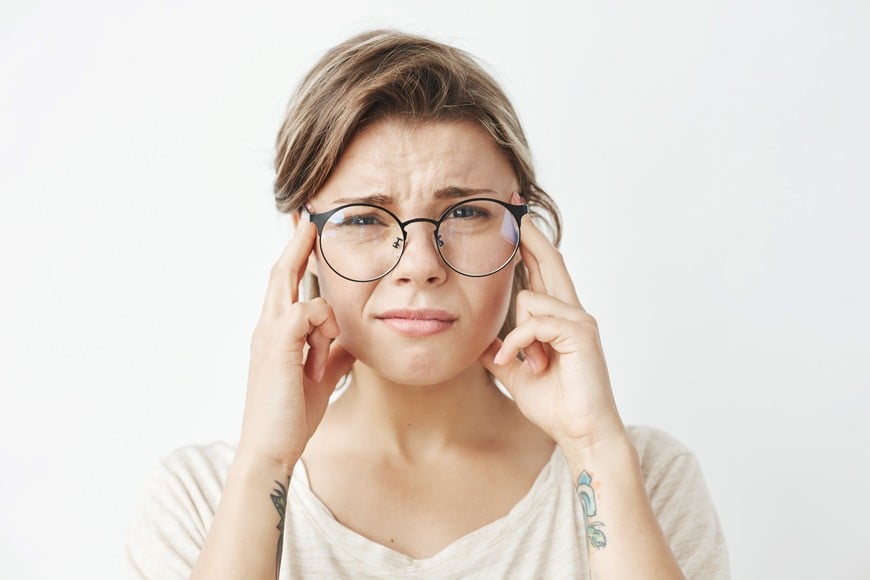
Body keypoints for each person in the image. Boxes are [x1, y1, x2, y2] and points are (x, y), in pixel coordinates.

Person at [126, 29, 729, 579]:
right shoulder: (200, 498)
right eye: (363, 216)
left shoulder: (644, 476)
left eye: (465, 212)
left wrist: (594, 446)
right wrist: (267, 460)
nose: (419, 265)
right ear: (304, 242)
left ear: (522, 233)